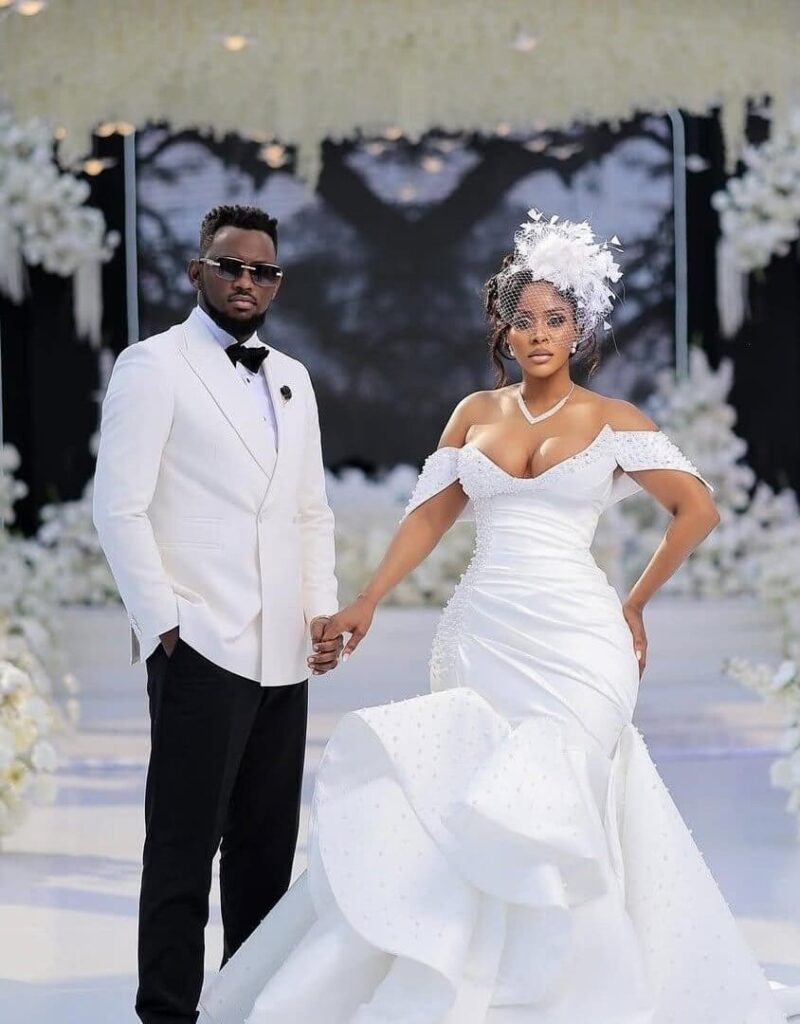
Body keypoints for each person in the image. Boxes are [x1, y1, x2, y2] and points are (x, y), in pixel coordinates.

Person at [198, 211, 800, 1022]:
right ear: (504, 330)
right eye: (525, 320)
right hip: (482, 634)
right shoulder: (473, 413)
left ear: (579, 328)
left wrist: (634, 602)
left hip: (584, 641)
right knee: (475, 801)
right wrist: (368, 599)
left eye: (556, 319)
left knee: (565, 794)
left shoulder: (616, 420)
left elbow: (696, 511)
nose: (540, 333)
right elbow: (428, 517)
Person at [92, 204, 342, 1024]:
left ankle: (249, 1004)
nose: (247, 281)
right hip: (201, 640)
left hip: (284, 650)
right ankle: (167, 1012)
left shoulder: (292, 377)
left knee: (266, 851)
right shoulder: (152, 365)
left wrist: (321, 612)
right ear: (198, 270)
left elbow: (310, 510)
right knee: (181, 847)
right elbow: (119, 507)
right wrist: (163, 623)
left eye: (263, 270)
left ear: (276, 281)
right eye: (232, 265)